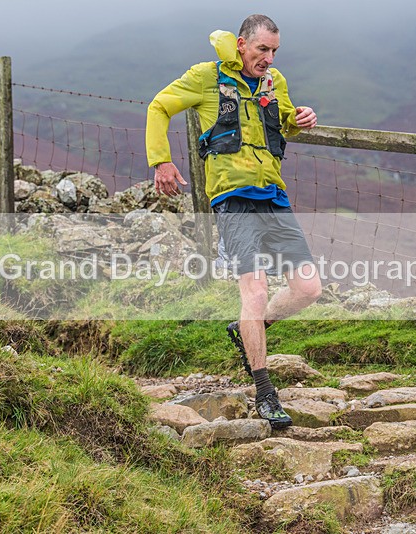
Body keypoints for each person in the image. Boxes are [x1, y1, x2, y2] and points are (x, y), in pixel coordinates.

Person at [146, 14, 322, 429]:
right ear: (241, 44)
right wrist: (162, 161)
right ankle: (265, 391)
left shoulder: (272, 82)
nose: (270, 57)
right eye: (263, 49)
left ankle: (247, 329)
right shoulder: (206, 76)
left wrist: (300, 119)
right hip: (231, 198)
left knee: (308, 287)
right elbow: (159, 106)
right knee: (255, 290)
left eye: (275, 50)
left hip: (273, 195)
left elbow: (282, 127)